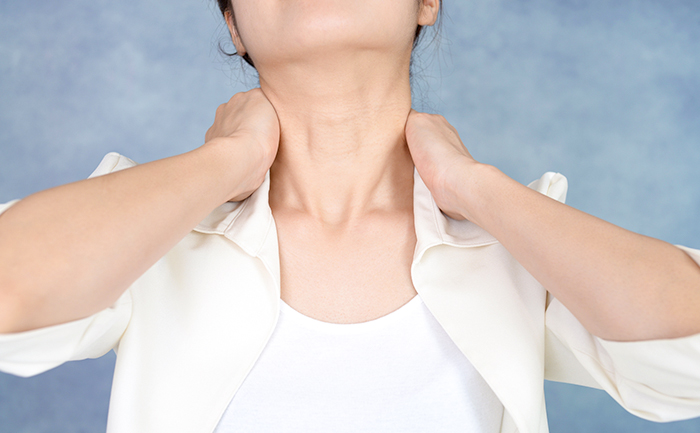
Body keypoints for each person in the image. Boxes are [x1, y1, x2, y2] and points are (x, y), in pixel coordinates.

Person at [1, 0, 699, 432]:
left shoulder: (516, 249)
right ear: (233, 24)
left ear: (427, 3)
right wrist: (226, 160)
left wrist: (473, 185)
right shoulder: (152, 236)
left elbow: (687, 352)